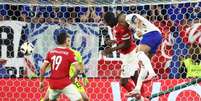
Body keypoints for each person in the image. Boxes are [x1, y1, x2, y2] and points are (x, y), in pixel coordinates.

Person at [103, 12, 162, 98]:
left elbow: (137, 20)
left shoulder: (128, 18)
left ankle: (151, 73)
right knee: (142, 67)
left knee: (139, 53)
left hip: (150, 35)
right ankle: (139, 91)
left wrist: (139, 29)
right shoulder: (123, 26)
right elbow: (128, 38)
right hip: (155, 36)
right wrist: (113, 42)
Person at [40, 34, 89, 101]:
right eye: (68, 41)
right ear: (64, 42)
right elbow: (48, 66)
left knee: (85, 98)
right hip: (63, 80)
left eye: (69, 41)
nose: (68, 43)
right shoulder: (68, 53)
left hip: (72, 80)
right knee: (46, 98)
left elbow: (80, 65)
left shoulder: (75, 53)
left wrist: (83, 76)